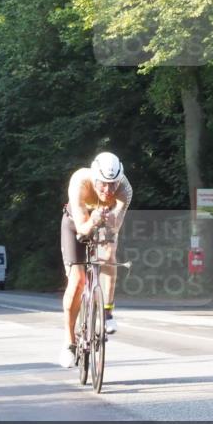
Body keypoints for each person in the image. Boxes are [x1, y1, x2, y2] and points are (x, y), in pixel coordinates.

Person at [59, 152, 133, 367]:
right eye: (103, 184)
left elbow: (116, 227)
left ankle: (107, 311)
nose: (108, 190)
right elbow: (82, 228)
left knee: (109, 255)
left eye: (113, 184)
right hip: (76, 223)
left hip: (103, 224)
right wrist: (93, 219)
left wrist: (109, 219)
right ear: (94, 178)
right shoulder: (80, 181)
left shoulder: (125, 189)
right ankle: (69, 342)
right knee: (77, 281)